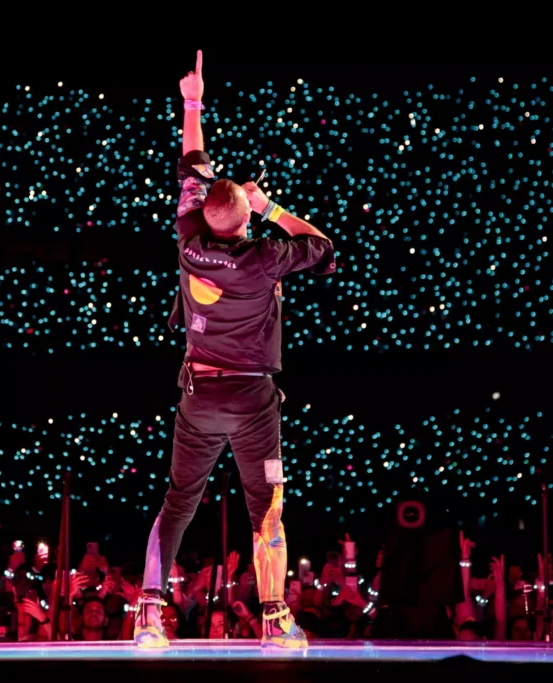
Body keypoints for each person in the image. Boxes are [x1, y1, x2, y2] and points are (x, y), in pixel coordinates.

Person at [134, 50, 336, 649]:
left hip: (199, 395)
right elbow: (323, 246)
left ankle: (148, 614)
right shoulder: (266, 256)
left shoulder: (188, 236)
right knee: (266, 508)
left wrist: (192, 100)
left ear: (205, 213)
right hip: (252, 401)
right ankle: (276, 620)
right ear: (247, 221)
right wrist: (270, 206)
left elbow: (192, 161)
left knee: (177, 503)